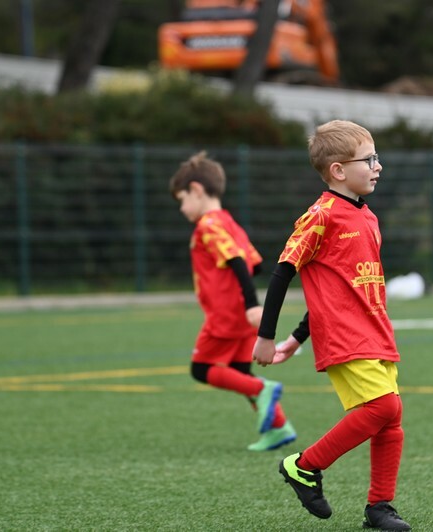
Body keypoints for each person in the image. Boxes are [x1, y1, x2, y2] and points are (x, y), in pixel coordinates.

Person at [252, 120, 411, 531]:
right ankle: (304, 465)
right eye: (368, 159)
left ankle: (380, 507)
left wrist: (295, 338)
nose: (378, 166)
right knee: (382, 407)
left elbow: (335, 289)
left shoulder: (368, 217)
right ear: (338, 170)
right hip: (345, 336)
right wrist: (266, 337)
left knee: (391, 419)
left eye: (377, 157)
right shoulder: (320, 216)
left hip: (376, 330)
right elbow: (283, 273)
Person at [169, 151, 296, 451]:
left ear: (196, 190)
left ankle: (262, 389)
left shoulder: (208, 225)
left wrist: (250, 304)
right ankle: (279, 428)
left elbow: (237, 261)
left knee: (201, 369)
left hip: (226, 314)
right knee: (239, 373)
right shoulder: (229, 222)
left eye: (182, 200)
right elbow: (254, 264)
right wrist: (248, 304)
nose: (182, 208)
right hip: (242, 314)